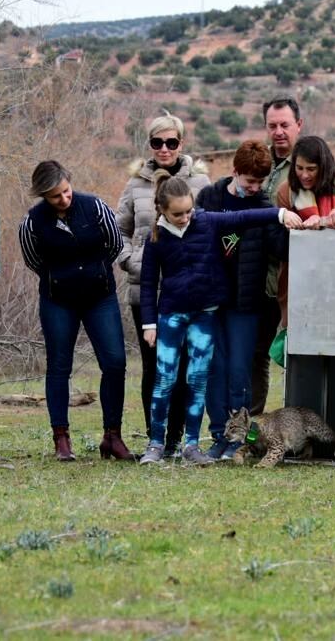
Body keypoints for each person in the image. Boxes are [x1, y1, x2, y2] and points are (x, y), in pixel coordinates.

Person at [137, 170, 302, 465]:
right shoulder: (156, 238)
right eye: (177, 214)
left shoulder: (205, 220)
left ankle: (190, 445)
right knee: (165, 380)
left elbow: (242, 219)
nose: (185, 217)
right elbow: (149, 283)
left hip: (204, 316)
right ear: (162, 210)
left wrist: (279, 214)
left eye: (188, 210)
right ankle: (155, 444)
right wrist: (149, 323)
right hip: (171, 316)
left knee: (197, 380)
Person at [19, 161, 130, 462]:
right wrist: (62, 277)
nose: (64, 199)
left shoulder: (95, 207)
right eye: (55, 196)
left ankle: (112, 436)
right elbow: (34, 261)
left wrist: (93, 272)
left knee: (115, 363)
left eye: (66, 191)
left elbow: (115, 243)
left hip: (100, 297)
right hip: (58, 301)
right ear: (43, 195)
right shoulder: (32, 223)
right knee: (58, 367)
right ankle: (61, 439)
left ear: (70, 183)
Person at [116, 113, 210, 456]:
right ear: (150, 145)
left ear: (181, 143)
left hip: (187, 291)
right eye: (157, 143)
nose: (164, 149)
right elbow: (118, 230)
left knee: (185, 366)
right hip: (145, 289)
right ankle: (154, 437)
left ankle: (178, 439)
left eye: (171, 142)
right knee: (154, 365)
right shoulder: (135, 185)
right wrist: (131, 260)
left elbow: (207, 231)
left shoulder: (199, 183)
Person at [197, 141, 287, 459]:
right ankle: (218, 434)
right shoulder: (209, 196)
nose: (254, 188)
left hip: (245, 303)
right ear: (235, 172)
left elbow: (279, 248)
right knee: (213, 369)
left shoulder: (263, 204)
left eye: (260, 182)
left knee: (239, 370)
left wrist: (292, 225)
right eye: (249, 181)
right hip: (210, 300)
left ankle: (239, 439)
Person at [250, 96, 304, 416]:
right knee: (256, 354)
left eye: (285, 125)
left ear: (299, 125)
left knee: (295, 353)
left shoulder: (308, 165)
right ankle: (254, 427)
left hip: (294, 274)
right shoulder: (260, 162)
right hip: (257, 275)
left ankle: (298, 428)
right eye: (273, 126)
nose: (279, 132)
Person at [275, 135, 335, 326]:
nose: (304, 175)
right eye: (299, 168)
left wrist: (325, 223)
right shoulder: (286, 192)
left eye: (311, 169)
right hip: (297, 283)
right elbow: (279, 244)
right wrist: (301, 229)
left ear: (323, 167)